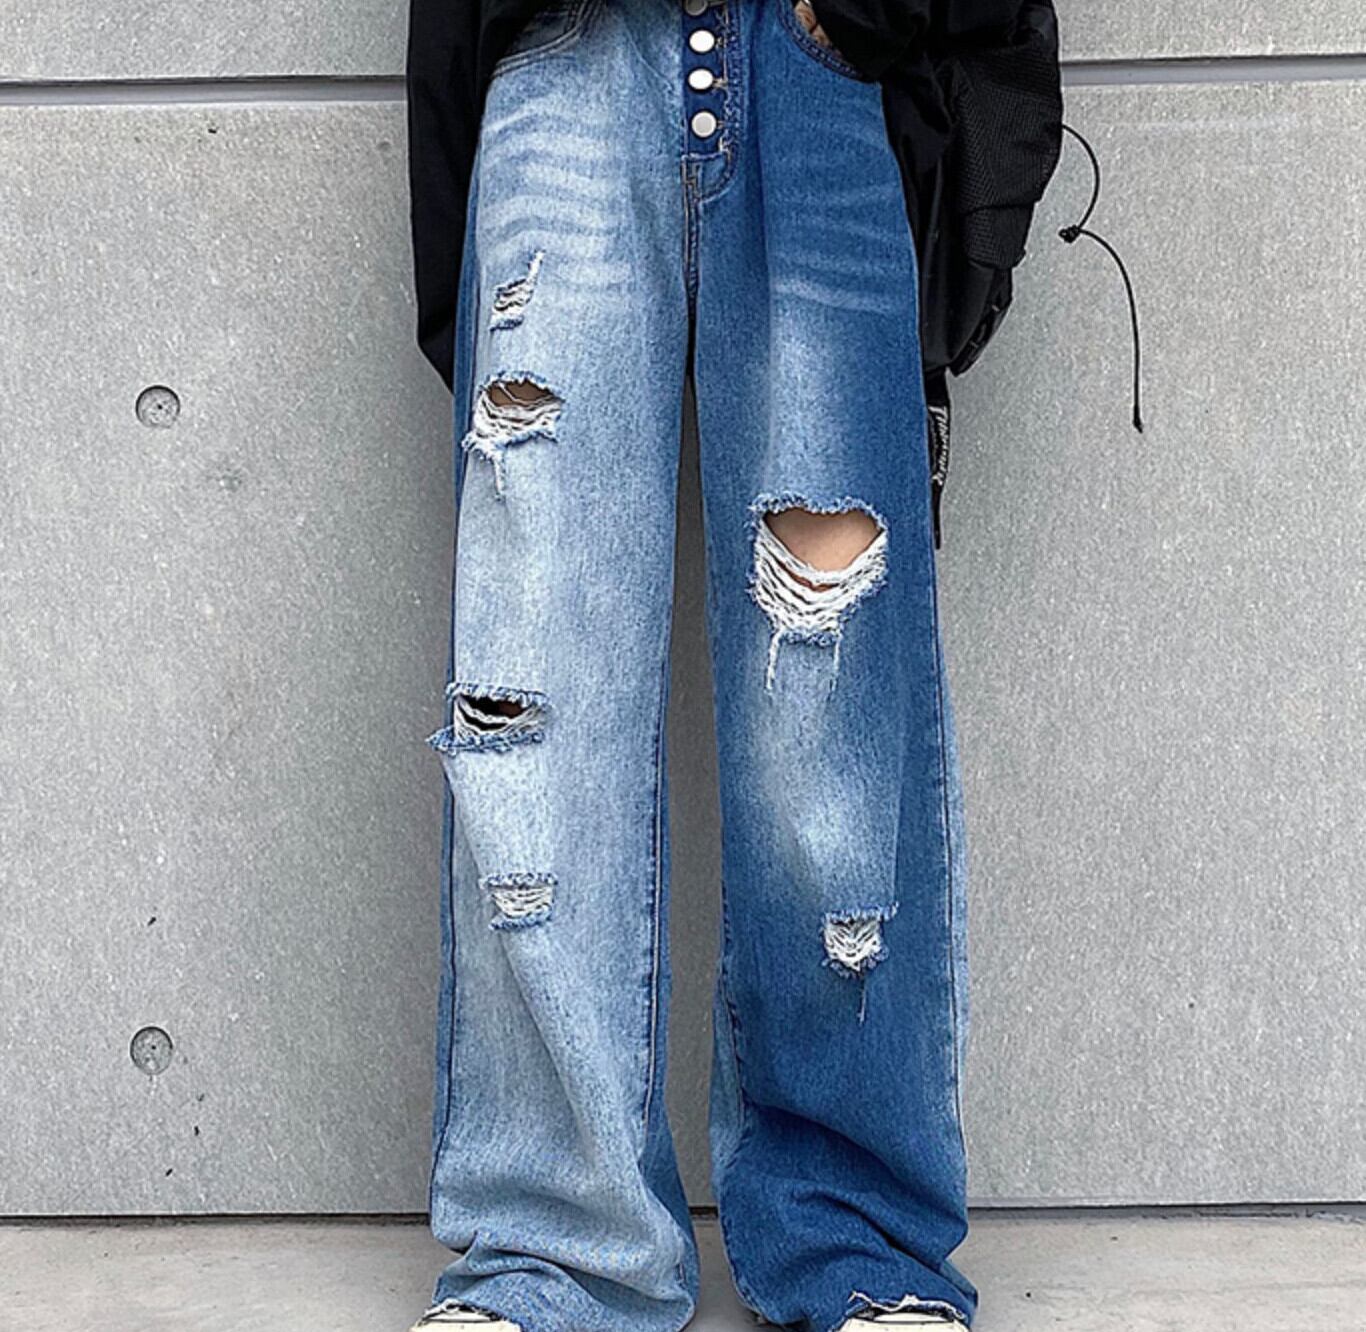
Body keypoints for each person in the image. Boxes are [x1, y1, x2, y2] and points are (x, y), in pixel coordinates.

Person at [403, 2, 979, 1329]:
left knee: (827, 697)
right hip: (563, 56)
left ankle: (860, 1237)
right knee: (533, 693)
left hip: (820, 62)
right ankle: (549, 1249)